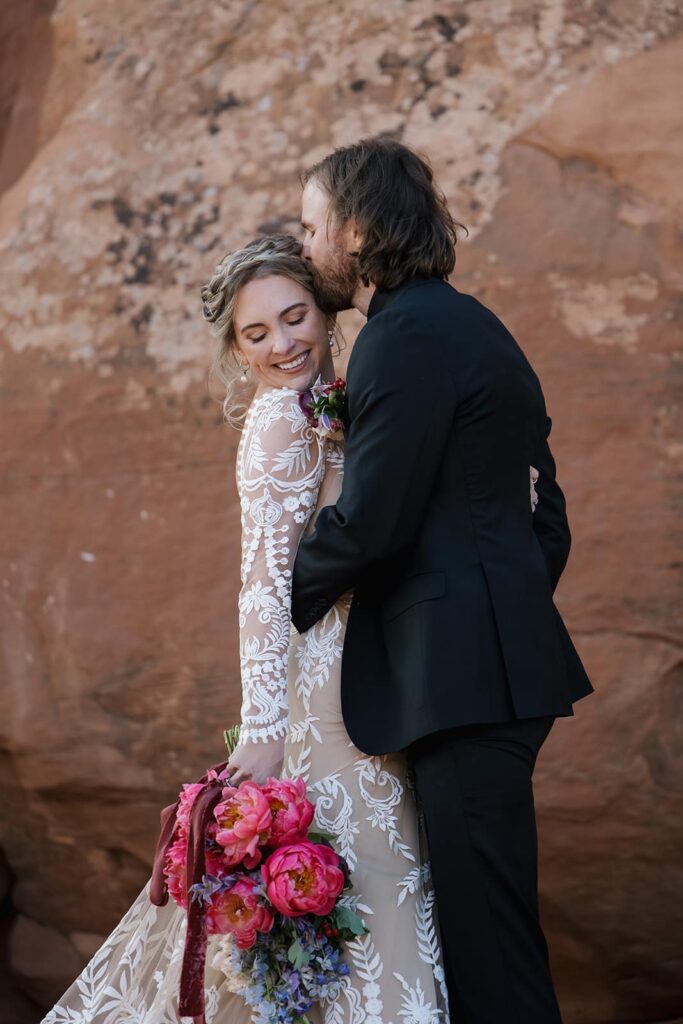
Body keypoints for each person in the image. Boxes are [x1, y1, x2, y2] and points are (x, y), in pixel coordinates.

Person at [42, 234, 448, 1024]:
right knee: (368, 893)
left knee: (378, 891)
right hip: (324, 702)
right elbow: (260, 590)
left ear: (325, 314)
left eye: (293, 318)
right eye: (255, 334)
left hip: (372, 677)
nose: (282, 344)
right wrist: (262, 729)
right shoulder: (276, 427)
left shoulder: (330, 401)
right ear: (234, 349)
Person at [291, 137, 594, 1024]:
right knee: (486, 928)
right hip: (484, 671)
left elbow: (374, 520)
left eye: (312, 227)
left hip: (460, 682)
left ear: (354, 229)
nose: (307, 248)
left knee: (488, 949)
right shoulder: (473, 325)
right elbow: (546, 517)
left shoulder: (404, 337)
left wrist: (283, 593)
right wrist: (494, 593)